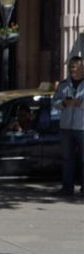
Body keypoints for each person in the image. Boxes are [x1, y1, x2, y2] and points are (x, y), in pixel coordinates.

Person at [52, 55, 84, 196]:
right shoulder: (64, 84)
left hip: (82, 127)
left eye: (74, 67)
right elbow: (55, 102)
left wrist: (80, 104)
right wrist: (64, 103)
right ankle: (67, 188)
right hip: (66, 127)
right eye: (70, 67)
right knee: (67, 159)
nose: (71, 70)